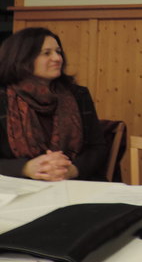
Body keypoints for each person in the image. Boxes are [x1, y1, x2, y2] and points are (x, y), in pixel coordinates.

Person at [0, 27, 107, 181]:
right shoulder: (3, 98)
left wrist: (72, 170)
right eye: (46, 53)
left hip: (73, 183)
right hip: (20, 185)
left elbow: (97, 148)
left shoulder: (78, 95)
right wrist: (26, 168)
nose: (57, 58)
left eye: (58, 52)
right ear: (22, 58)